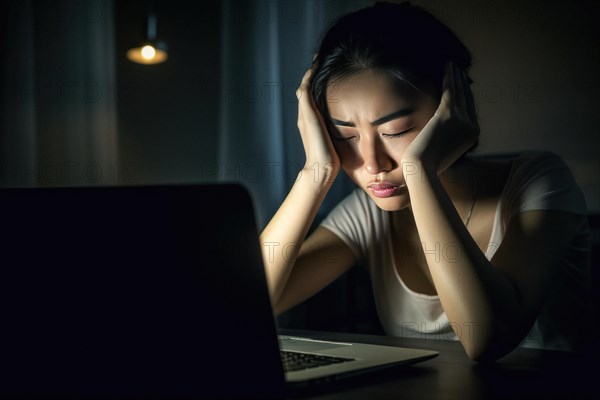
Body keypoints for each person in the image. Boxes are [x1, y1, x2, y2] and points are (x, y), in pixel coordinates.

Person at [259, 1, 590, 362]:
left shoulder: (539, 183)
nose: (374, 165)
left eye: (395, 130)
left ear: (454, 109)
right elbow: (251, 300)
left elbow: (488, 338)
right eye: (345, 137)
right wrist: (315, 173)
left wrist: (419, 169)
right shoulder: (366, 217)